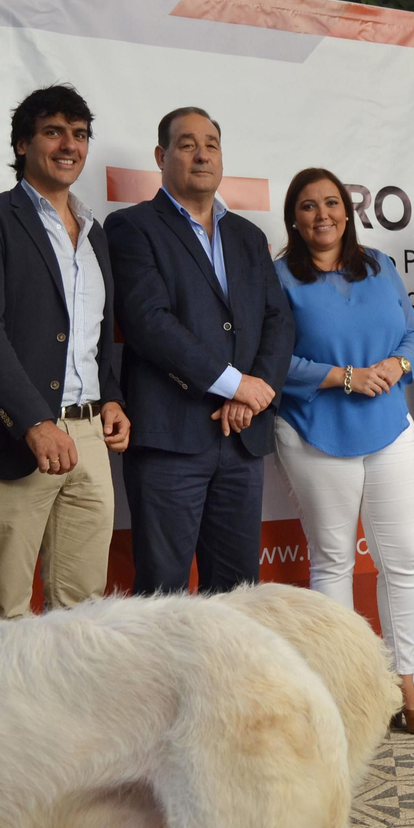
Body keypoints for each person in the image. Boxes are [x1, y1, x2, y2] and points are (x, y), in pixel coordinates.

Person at [104, 107, 294, 594]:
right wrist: (234, 384)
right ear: (161, 156)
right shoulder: (131, 227)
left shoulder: (248, 236)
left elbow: (278, 320)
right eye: (187, 145)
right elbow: (149, 323)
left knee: (238, 594)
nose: (202, 154)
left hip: (242, 438)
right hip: (170, 439)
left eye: (211, 144)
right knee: (163, 594)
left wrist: (254, 392)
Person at [0, 85, 129, 618]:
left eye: (79, 134)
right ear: (21, 144)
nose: (69, 145)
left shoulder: (95, 233)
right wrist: (33, 421)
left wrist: (111, 398)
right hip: (18, 437)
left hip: (89, 436)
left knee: (84, 611)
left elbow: (94, 332)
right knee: (5, 609)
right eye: (53, 132)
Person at [271, 168, 414, 733]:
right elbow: (273, 360)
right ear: (294, 218)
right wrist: (344, 376)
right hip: (315, 428)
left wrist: (396, 364)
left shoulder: (380, 265)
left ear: (347, 210)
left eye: (332, 203)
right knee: (334, 560)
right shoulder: (277, 279)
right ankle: (344, 693)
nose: (323, 215)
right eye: (309, 206)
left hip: (390, 425)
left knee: (401, 562)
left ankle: (404, 682)